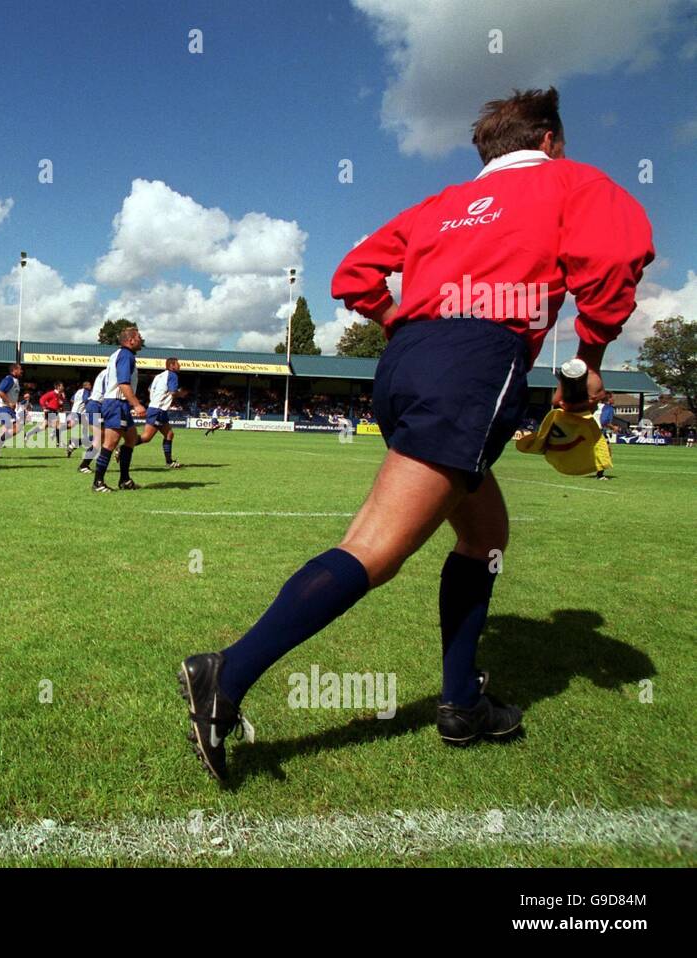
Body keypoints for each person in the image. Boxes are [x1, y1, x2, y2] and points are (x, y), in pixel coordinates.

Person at [177, 87, 654, 784]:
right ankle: (226, 673)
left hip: (403, 366)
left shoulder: (442, 205)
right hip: (475, 361)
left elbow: (353, 274)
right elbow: (614, 259)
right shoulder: (573, 182)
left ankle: (461, 703)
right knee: (374, 547)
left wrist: (400, 321)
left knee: (484, 537)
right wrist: (592, 361)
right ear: (549, 139)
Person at [92, 327, 146, 492]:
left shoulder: (118, 354)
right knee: (110, 443)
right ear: (130, 340)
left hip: (119, 403)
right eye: (138, 337)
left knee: (131, 439)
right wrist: (136, 404)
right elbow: (123, 382)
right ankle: (98, 482)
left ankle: (124, 480)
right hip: (117, 403)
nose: (141, 339)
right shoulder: (126, 355)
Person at [135, 357, 183, 468]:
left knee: (169, 434)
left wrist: (156, 398)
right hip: (158, 410)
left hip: (157, 408)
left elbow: (149, 389)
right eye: (177, 364)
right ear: (171, 366)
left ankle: (169, 462)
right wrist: (181, 394)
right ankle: (123, 448)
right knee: (146, 437)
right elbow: (173, 392)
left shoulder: (159, 376)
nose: (179, 366)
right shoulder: (172, 375)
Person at [0, 363, 24, 459]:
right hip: (3, 407)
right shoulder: (9, 379)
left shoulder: (16, 381)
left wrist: (22, 400)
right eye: (20, 369)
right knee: (15, 428)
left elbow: (13, 395)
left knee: (8, 429)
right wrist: (9, 403)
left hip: (9, 408)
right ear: (14, 370)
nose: (22, 371)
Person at [65, 380, 92, 458]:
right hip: (80, 413)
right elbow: (85, 399)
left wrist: (77, 404)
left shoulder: (78, 391)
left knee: (71, 426)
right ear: (86, 386)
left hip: (75, 411)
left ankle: (72, 443)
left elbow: (72, 400)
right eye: (90, 385)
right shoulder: (86, 391)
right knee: (93, 429)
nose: (91, 386)